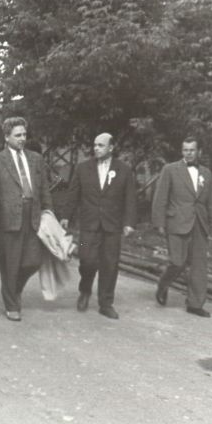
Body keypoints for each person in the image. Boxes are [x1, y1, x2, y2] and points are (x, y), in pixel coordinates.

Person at [0, 117, 54, 322]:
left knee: (33, 261)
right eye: (18, 135)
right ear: (7, 137)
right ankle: (12, 304)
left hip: (32, 215)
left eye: (24, 134)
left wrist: (49, 211)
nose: (22, 139)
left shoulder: (35, 159)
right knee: (10, 264)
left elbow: (43, 189)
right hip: (7, 220)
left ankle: (14, 290)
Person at [61, 133, 137, 320]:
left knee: (110, 264)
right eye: (95, 145)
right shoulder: (83, 168)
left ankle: (106, 303)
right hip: (89, 224)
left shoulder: (124, 170)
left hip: (113, 225)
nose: (96, 148)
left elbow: (130, 198)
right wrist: (65, 216)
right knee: (87, 260)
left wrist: (129, 222)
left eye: (101, 145)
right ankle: (85, 290)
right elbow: (73, 194)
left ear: (111, 148)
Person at [151, 137, 212, 317]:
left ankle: (195, 304)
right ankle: (164, 283)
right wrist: (159, 223)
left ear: (199, 152)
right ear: (182, 152)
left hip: (200, 224)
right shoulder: (170, 170)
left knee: (199, 266)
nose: (188, 153)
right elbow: (160, 198)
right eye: (185, 150)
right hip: (176, 223)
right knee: (177, 262)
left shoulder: (206, 173)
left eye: (192, 150)